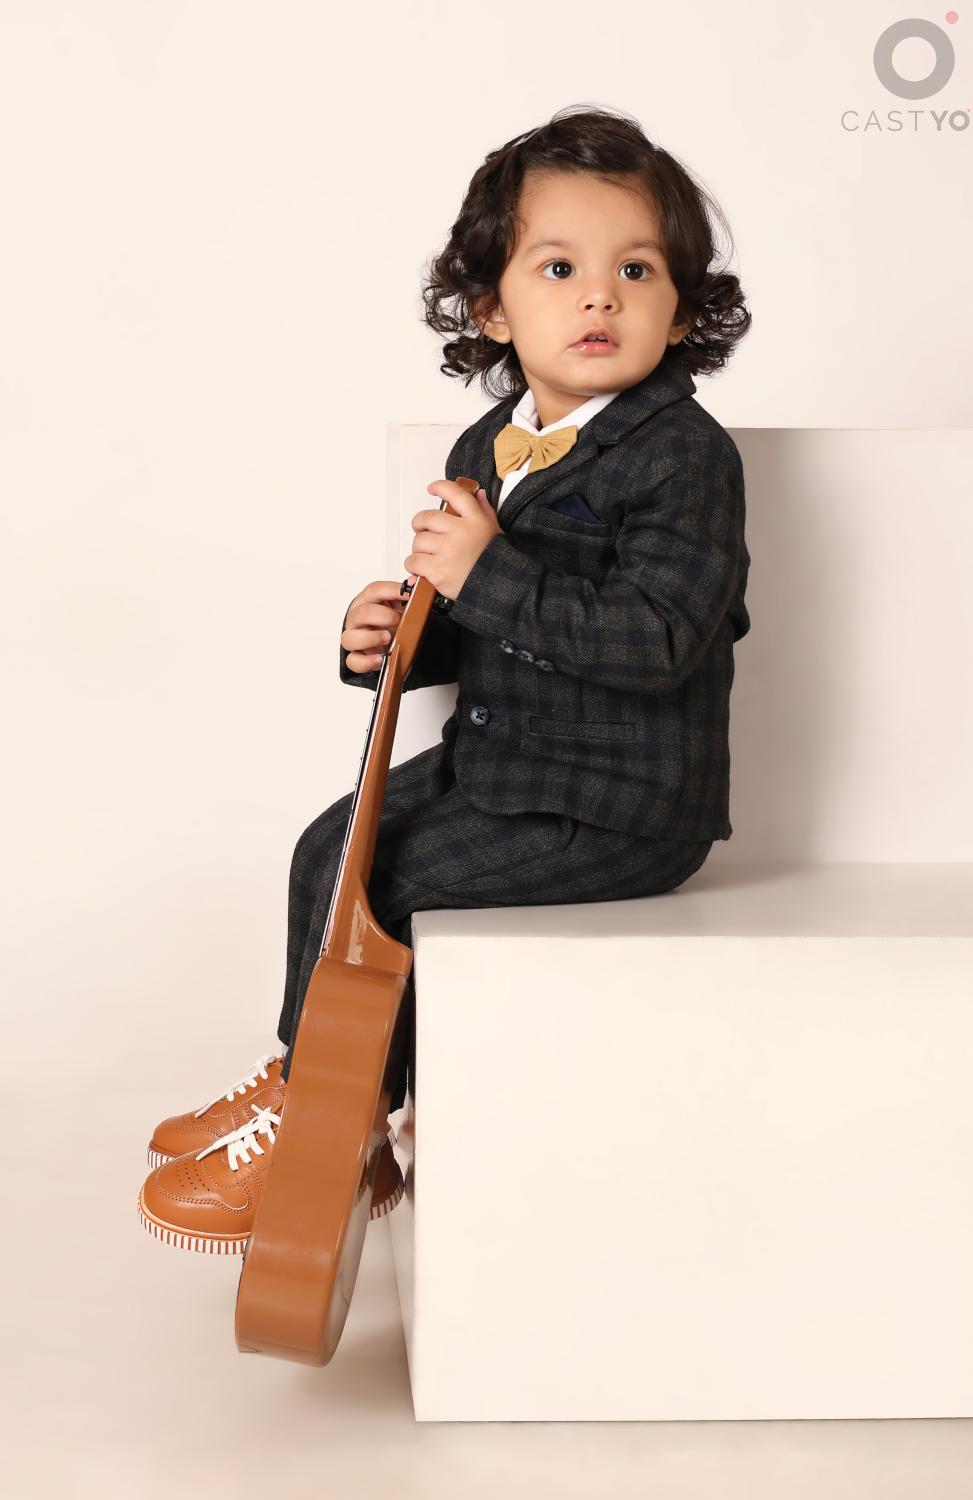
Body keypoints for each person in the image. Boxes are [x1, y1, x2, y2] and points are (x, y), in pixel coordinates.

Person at [137, 104, 752, 1254]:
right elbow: (478, 624)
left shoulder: (684, 457)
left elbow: (660, 640)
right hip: (501, 768)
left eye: (635, 270)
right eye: (559, 268)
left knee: (395, 878)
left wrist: (488, 570)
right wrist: (393, 642)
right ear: (491, 307)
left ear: (683, 307)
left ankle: (330, 1130)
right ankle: (309, 1083)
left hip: (619, 808)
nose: (600, 297)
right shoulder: (486, 449)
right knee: (328, 849)